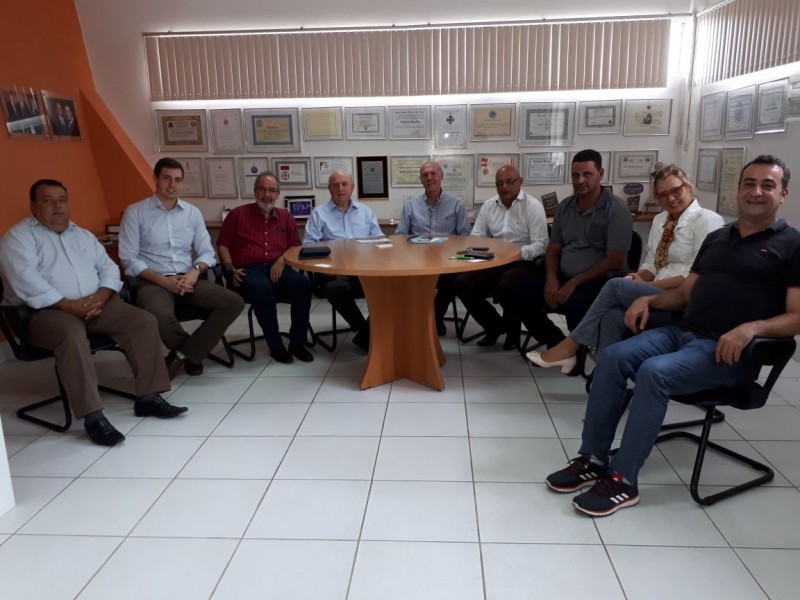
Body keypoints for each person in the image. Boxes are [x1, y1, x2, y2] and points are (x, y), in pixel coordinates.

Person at [545, 155, 800, 517]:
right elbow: (684, 294)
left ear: (783, 193)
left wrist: (752, 328)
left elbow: (796, 316)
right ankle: (593, 458)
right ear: (738, 190)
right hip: (683, 331)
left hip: (726, 351)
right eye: (749, 183)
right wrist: (649, 300)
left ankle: (623, 479)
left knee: (654, 372)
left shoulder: (791, 245)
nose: (756, 192)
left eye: (767, 185)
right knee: (613, 356)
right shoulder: (718, 239)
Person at [0, 179, 187, 447]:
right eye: (48, 200)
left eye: (62, 200)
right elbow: (27, 281)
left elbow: (108, 268)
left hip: (96, 304)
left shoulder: (82, 235)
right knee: (71, 335)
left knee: (143, 321)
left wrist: (101, 296)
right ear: (33, 206)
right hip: (44, 313)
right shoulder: (18, 238)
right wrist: (69, 305)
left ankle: (149, 397)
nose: (57, 206)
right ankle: (93, 417)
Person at [527, 164, 724, 372]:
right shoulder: (661, 220)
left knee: (615, 286)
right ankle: (604, 377)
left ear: (689, 187)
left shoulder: (707, 220)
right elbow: (652, 263)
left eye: (676, 191)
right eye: (662, 195)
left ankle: (569, 346)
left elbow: (697, 275)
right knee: (612, 315)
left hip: (683, 297)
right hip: (656, 290)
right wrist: (637, 278)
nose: (670, 198)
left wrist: (647, 285)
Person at [119, 158, 245, 378]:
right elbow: (128, 259)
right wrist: (164, 281)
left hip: (189, 279)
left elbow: (207, 252)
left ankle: (181, 356)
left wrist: (194, 272)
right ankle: (193, 354)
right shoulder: (135, 212)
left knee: (234, 302)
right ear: (156, 179)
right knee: (158, 314)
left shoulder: (192, 213)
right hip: (153, 281)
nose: (172, 185)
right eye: (166, 178)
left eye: (177, 180)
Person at [505, 149, 633, 353]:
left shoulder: (616, 209)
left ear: (600, 174)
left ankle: (576, 354)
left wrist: (572, 284)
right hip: (564, 276)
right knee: (515, 293)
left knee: (575, 304)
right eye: (575, 175)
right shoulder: (565, 207)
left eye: (587, 174)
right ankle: (558, 344)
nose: (580, 181)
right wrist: (551, 279)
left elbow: (615, 260)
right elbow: (553, 248)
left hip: (601, 281)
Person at [217, 171, 313, 364]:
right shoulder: (237, 215)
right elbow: (223, 244)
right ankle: (275, 345)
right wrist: (229, 267)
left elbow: (295, 246)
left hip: (278, 268)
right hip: (247, 271)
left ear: (277, 194)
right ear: (255, 192)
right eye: (262, 189)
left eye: (271, 190)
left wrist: (282, 260)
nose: (267, 194)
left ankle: (297, 343)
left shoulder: (286, 217)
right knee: (262, 289)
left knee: (303, 285)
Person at [453, 164, 548, 349]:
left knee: (507, 286)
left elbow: (541, 245)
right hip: (494, 260)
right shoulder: (489, 206)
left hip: (523, 261)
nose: (504, 187)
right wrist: (483, 252)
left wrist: (515, 253)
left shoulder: (533, 206)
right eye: (499, 183)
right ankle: (495, 326)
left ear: (520, 182)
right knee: (462, 283)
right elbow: (476, 237)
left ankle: (513, 332)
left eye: (509, 182)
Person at [303, 170, 383, 351]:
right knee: (334, 288)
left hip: (364, 270)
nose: (340, 188)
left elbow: (380, 241)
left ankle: (367, 335)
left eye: (345, 184)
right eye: (335, 185)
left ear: (352, 187)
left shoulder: (365, 212)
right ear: (329, 189)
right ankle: (364, 330)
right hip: (334, 272)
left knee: (391, 285)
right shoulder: (319, 214)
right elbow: (308, 245)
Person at [395, 160, 471, 335]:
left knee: (454, 279)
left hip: (448, 263)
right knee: (402, 279)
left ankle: (434, 317)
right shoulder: (410, 206)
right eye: (425, 175)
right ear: (421, 180)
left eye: (433, 173)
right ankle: (418, 317)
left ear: (442, 176)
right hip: (417, 263)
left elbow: (465, 237)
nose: (429, 178)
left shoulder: (457, 204)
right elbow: (400, 238)